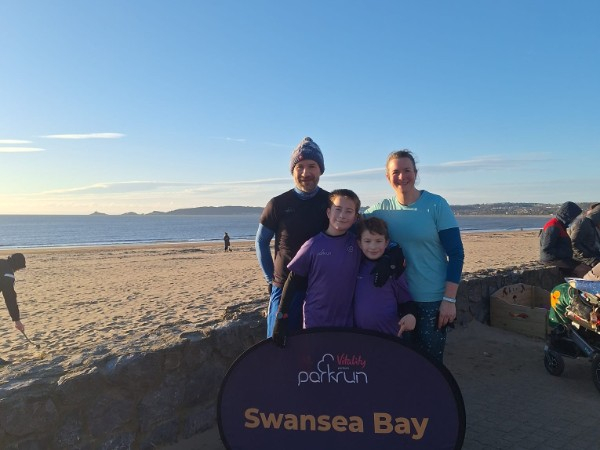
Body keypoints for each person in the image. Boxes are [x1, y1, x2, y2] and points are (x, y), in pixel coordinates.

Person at [363, 150, 465, 363]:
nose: (402, 177)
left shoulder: (436, 205)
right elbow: (347, 222)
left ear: (415, 173)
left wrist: (449, 300)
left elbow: (456, 254)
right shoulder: (380, 210)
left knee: (431, 365)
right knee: (402, 363)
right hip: (397, 300)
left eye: (407, 170)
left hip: (431, 300)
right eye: (395, 172)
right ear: (388, 177)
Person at [255, 137, 329, 338]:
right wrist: (270, 279)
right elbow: (261, 242)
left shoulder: (331, 203)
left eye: (312, 166)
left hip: (321, 289)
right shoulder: (278, 204)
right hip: (284, 289)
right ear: (292, 171)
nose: (306, 173)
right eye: (300, 167)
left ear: (320, 170)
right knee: (278, 346)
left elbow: (357, 234)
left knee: (316, 347)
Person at [272, 189, 361, 346]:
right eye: (338, 209)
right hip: (315, 319)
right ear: (328, 212)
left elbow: (379, 250)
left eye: (349, 211)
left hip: (346, 321)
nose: (342, 215)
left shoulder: (357, 244)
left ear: (355, 217)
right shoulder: (313, 245)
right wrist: (281, 317)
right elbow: (292, 280)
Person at [354, 217, 416, 337]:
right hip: (360, 336)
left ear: (386, 242)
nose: (373, 247)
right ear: (359, 243)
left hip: (389, 335)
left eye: (378, 241)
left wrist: (411, 315)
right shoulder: (355, 267)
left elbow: (405, 299)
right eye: (367, 241)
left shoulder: (393, 269)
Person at [539, 201, 589, 277]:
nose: (574, 219)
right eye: (574, 217)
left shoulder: (560, 225)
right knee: (583, 270)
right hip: (552, 260)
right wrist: (565, 253)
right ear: (568, 215)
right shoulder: (553, 226)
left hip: (562, 258)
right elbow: (546, 249)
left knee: (587, 268)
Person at [1, 253, 26, 365]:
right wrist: (17, 320)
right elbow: (10, 298)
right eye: (19, 268)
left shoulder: (2, 263)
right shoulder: (8, 274)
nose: (17, 271)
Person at [570, 204, 600, 269]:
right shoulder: (584, 223)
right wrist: (590, 258)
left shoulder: (593, 225)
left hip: (592, 256)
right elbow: (573, 243)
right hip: (583, 258)